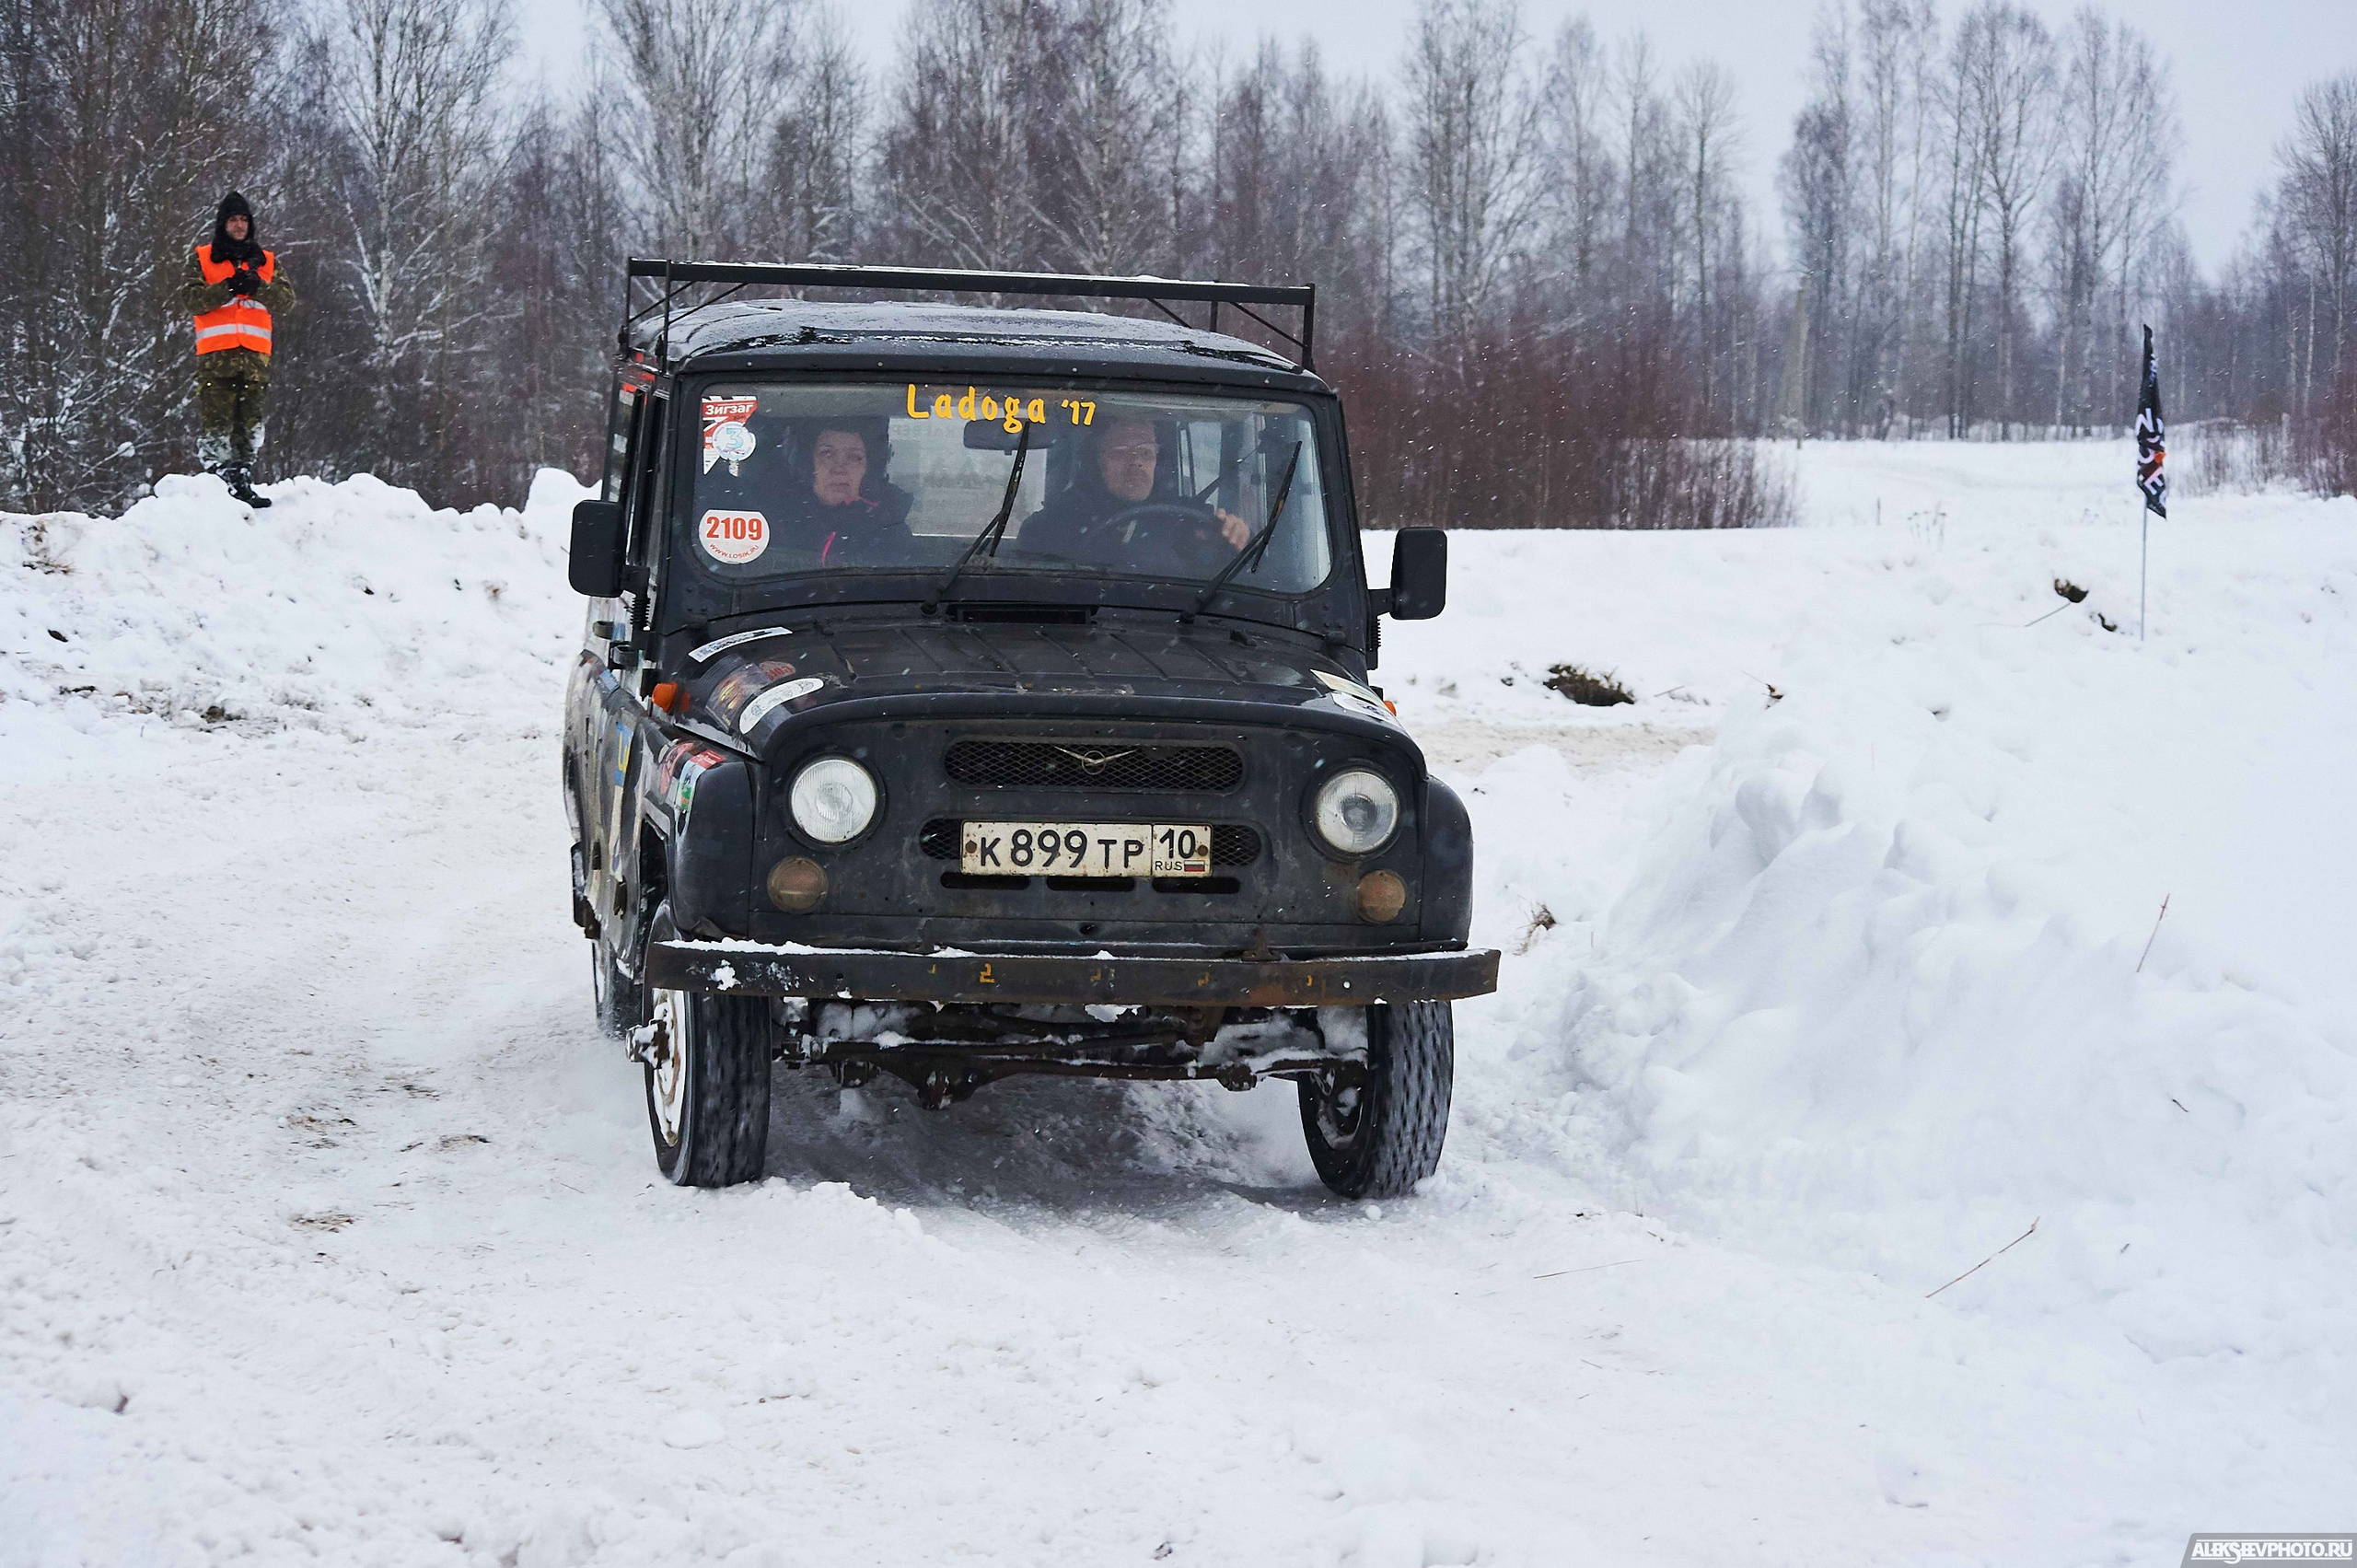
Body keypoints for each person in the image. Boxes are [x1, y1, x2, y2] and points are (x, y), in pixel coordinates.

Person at [1016, 416, 1249, 570]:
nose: (1136, 462)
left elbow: (1225, 579)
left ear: (1158, 461)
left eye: (1146, 453)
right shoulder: (1050, 527)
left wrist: (1232, 535)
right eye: (1120, 453)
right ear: (1096, 462)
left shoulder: (1189, 520)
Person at [182, 192, 294, 508]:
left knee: (249, 423)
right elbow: (192, 300)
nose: (239, 225)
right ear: (222, 223)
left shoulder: (267, 262)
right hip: (216, 356)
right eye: (233, 219)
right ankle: (220, 483)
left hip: (255, 358)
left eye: (244, 219)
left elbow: (286, 302)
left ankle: (242, 478)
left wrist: (257, 286)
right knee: (216, 423)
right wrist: (228, 287)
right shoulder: (202, 258)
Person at [767, 421, 917, 567]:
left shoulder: (890, 532)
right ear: (807, 463)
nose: (839, 468)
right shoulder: (770, 524)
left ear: (868, 469)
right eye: (827, 454)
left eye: (854, 457)